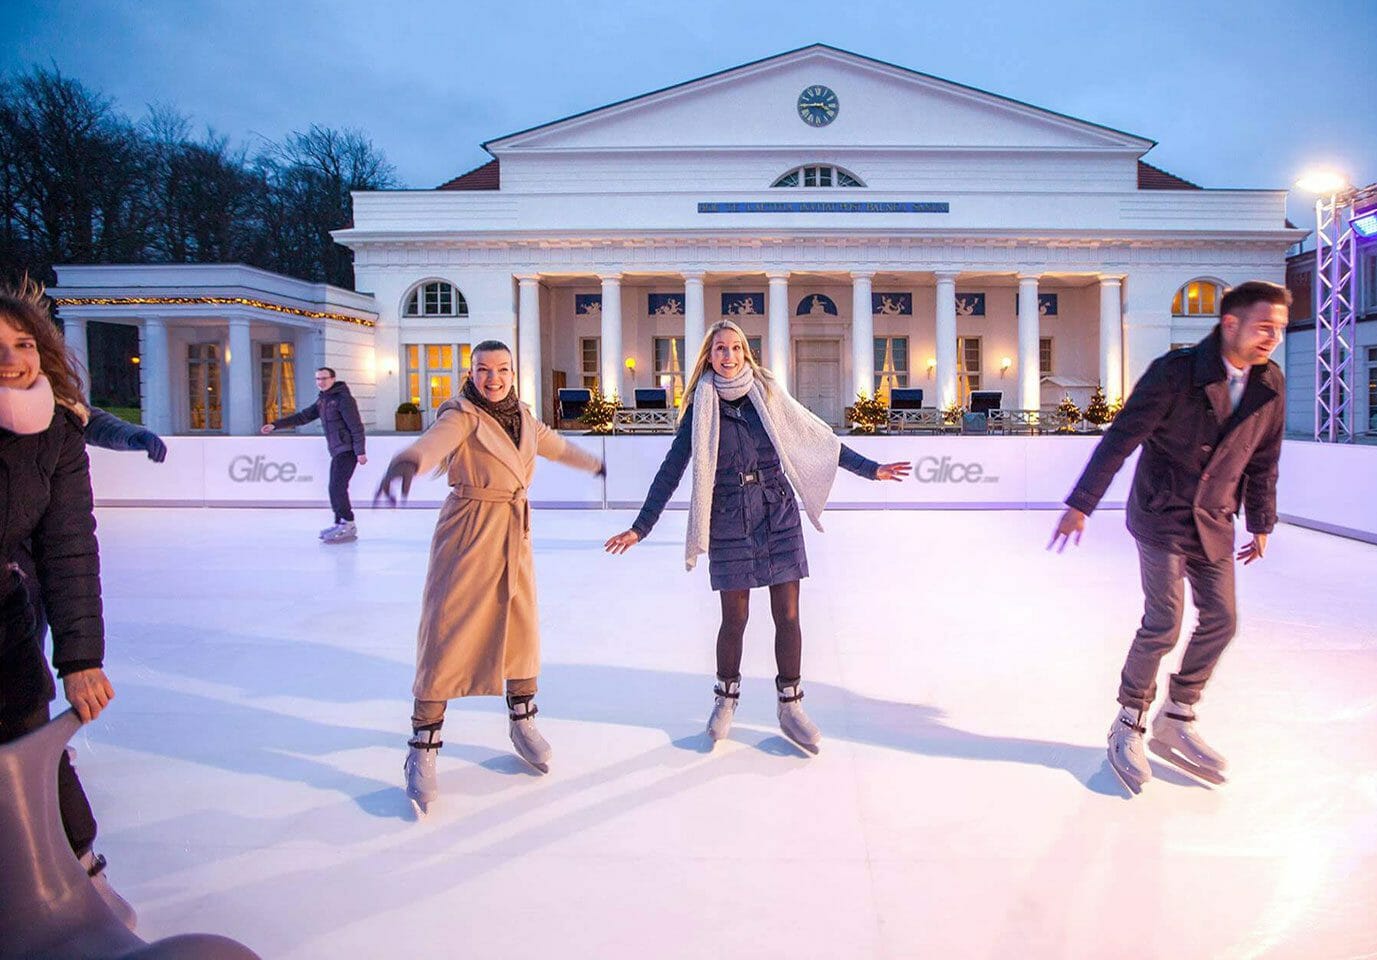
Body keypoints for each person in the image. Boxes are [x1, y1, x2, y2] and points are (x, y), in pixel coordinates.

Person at [605, 320, 909, 755]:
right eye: (719, 349)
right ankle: (725, 701)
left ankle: (791, 705)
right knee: (735, 618)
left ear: (746, 354)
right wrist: (641, 526)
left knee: (788, 615)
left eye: (735, 348)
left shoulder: (766, 395)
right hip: (728, 514)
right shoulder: (700, 407)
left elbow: (818, 440)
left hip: (777, 510)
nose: (727, 356)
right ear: (708, 357)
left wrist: (871, 469)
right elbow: (672, 469)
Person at [1050, 280, 1288, 794]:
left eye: (1280, 328)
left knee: (1222, 620)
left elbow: (1264, 459)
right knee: (1164, 622)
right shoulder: (1175, 374)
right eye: (1265, 326)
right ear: (1231, 324)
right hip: (1161, 513)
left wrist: (1262, 522)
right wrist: (1081, 503)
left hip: (1216, 518)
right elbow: (1120, 440)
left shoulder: (1271, 383)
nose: (1274, 336)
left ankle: (1176, 715)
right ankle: (1129, 720)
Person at [377, 340, 602, 816]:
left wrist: (595, 462)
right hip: (469, 532)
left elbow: (555, 445)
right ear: (472, 372)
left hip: (513, 534)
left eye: (502, 369)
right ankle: (423, 747)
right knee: (448, 633)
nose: (493, 378)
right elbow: (432, 443)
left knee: (521, 629)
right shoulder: (461, 414)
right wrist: (408, 461)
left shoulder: (522, 415)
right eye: (484, 370)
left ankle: (522, 719)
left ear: (513, 373)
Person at [0, 280, 137, 927]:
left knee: (33, 755)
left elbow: (69, 549)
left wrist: (80, 658)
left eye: (22, 343)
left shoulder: (55, 432)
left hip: (9, 620)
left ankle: (80, 871)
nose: (11, 359)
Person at [262, 366, 366, 543]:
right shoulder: (323, 401)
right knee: (335, 488)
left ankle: (347, 523)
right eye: (318, 379)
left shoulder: (343, 399)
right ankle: (341, 521)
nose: (321, 382)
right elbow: (302, 417)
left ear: (333, 379)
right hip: (337, 450)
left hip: (347, 450)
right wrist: (275, 424)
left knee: (336, 487)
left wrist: (360, 451)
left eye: (324, 378)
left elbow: (356, 426)